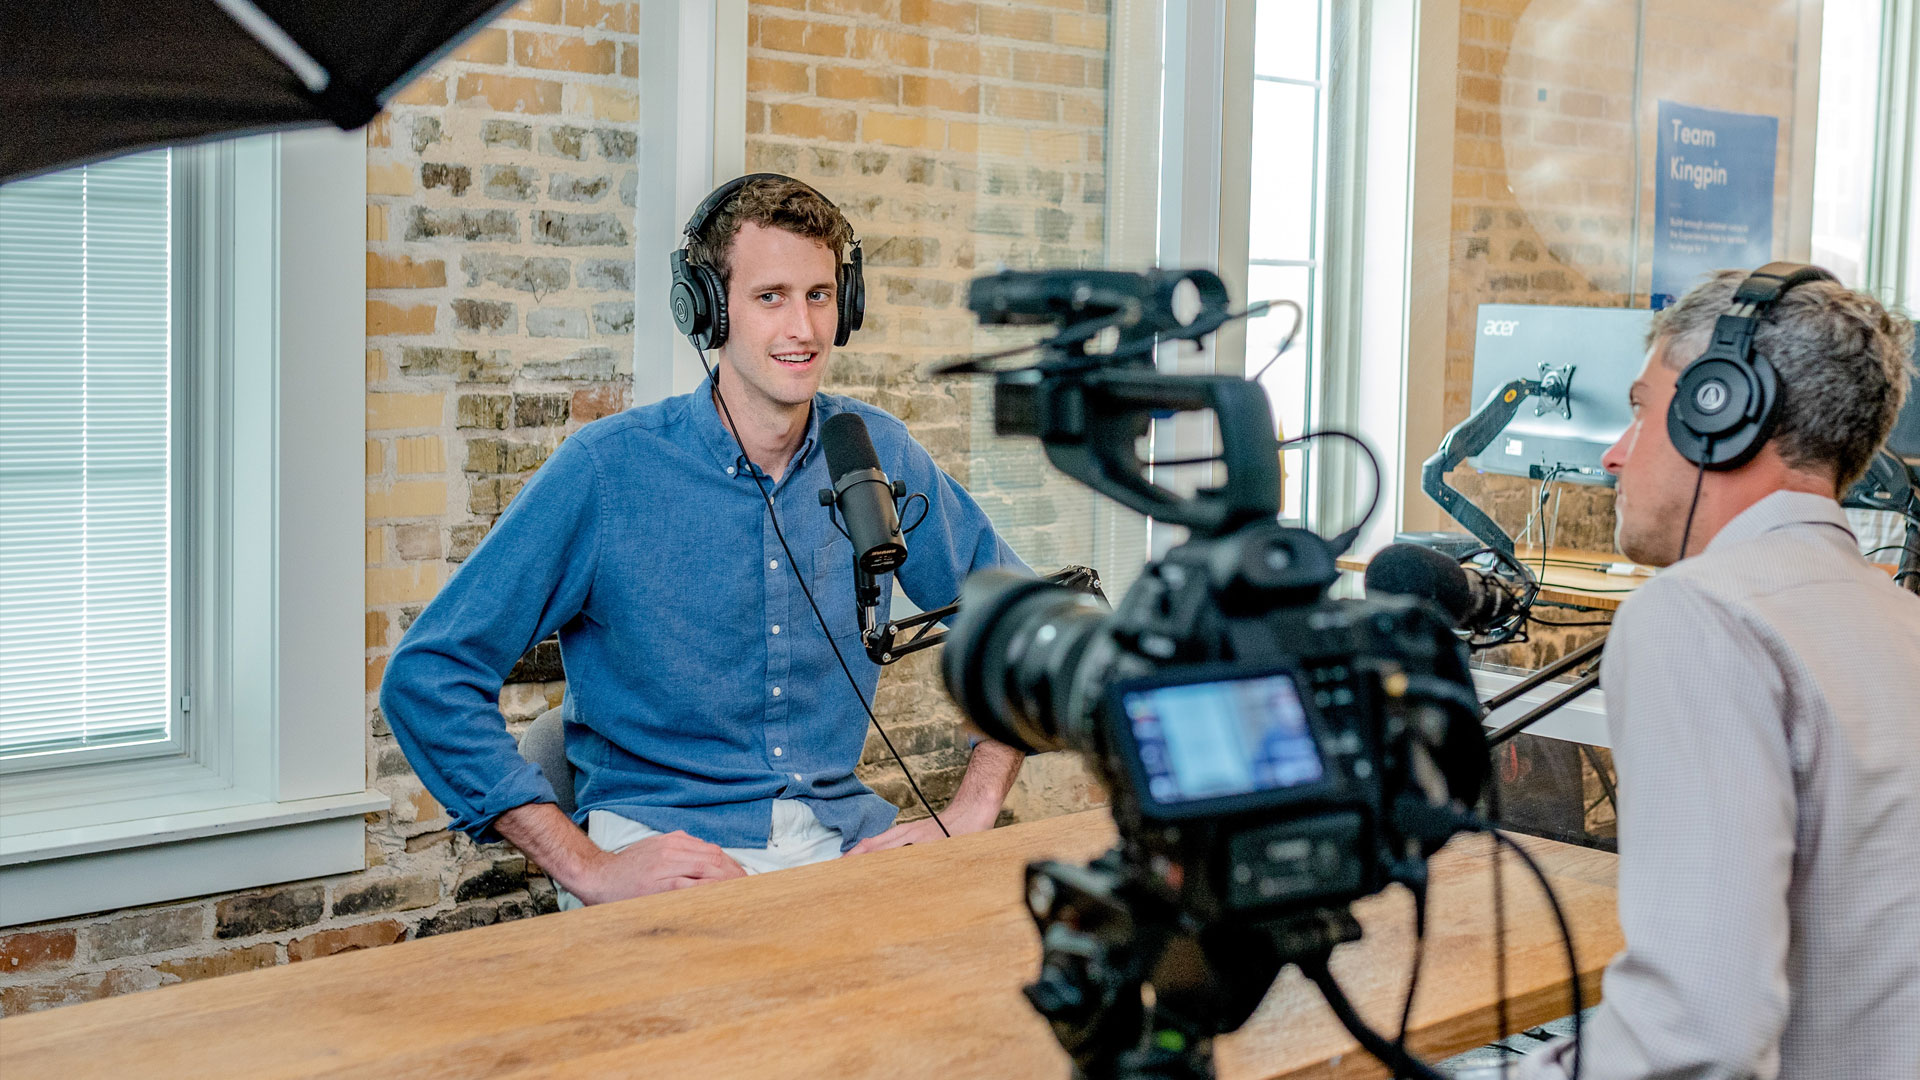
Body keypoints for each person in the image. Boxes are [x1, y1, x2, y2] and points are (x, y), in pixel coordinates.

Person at [380, 175, 1030, 908]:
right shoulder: (607, 469)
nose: (803, 330)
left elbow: (1025, 632)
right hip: (663, 856)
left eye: (818, 296)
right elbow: (426, 675)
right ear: (708, 310)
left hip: (841, 844)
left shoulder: (877, 454)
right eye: (769, 297)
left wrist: (972, 809)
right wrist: (587, 866)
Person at [1516, 267, 1920, 1078]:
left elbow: (1696, 1034)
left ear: (1721, 409)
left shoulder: (1701, 614)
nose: (1613, 454)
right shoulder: (1900, 621)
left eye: (1640, 410)